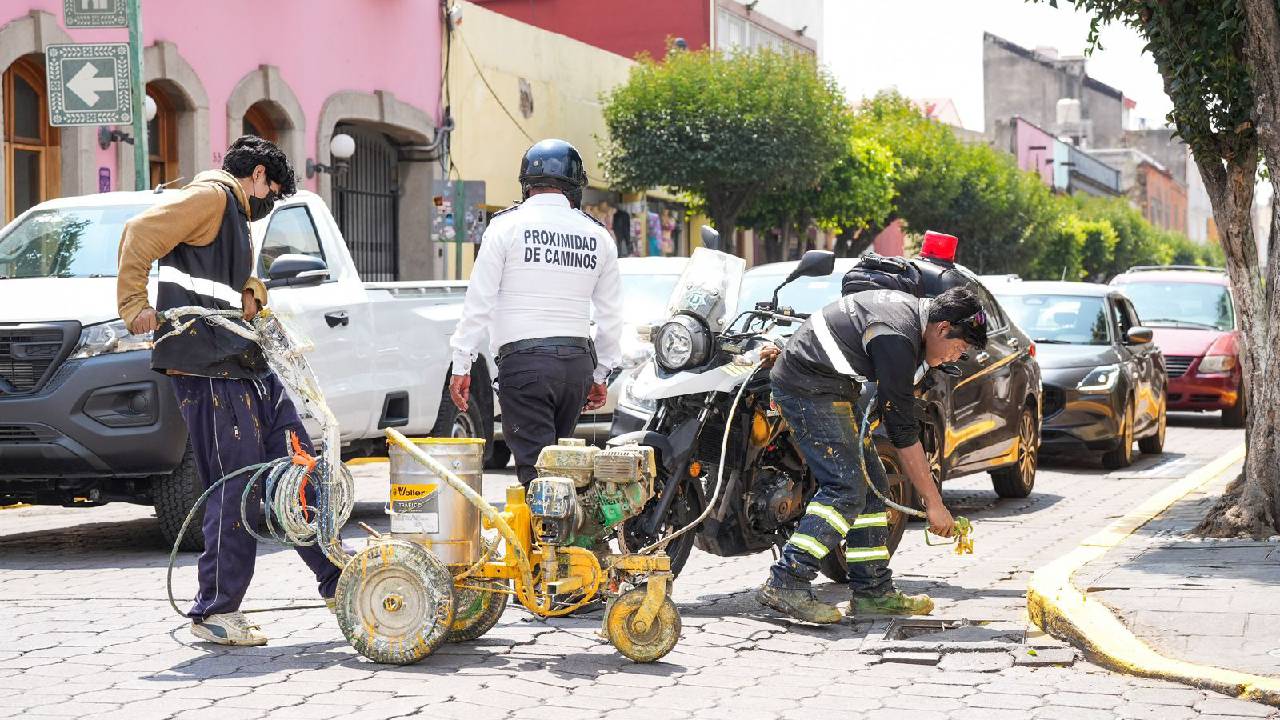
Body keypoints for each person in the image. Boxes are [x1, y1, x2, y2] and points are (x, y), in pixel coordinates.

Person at [117, 135, 340, 646]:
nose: (269, 205)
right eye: (272, 192)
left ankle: (335, 580)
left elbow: (214, 281)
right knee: (236, 485)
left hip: (246, 364)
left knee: (294, 468)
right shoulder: (212, 197)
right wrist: (133, 306)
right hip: (210, 369)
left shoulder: (233, 217)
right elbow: (138, 233)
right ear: (257, 174)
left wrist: (251, 290)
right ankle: (215, 611)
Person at [756, 285, 989, 623]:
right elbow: (902, 432)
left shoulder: (909, 323)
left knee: (871, 483)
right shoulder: (897, 337)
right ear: (942, 328)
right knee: (847, 488)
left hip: (829, 385)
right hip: (807, 386)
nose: (956, 356)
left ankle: (872, 592)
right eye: (960, 346)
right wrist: (934, 503)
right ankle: (787, 581)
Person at [449, 139, 622, 485]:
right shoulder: (597, 236)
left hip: (524, 367)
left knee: (538, 476)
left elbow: (479, 301)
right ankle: (567, 537)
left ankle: (546, 541)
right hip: (576, 367)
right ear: (575, 187)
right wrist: (600, 374)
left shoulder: (505, 227)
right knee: (562, 470)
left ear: (527, 185)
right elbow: (611, 316)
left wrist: (462, 365)